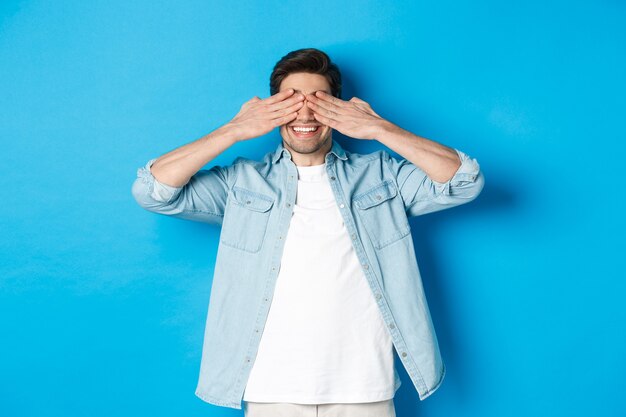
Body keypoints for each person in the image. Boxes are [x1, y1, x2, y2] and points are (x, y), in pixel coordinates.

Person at [131, 48, 484, 416]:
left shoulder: (382, 176)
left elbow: (464, 182)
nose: (304, 113)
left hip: (364, 386)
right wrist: (233, 130)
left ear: (339, 109)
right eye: (290, 102)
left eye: (319, 102)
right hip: (271, 389)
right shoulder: (241, 182)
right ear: (271, 110)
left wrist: (379, 128)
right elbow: (152, 191)